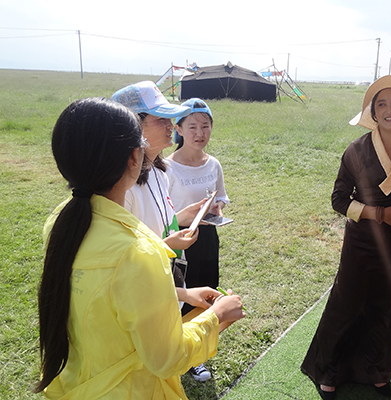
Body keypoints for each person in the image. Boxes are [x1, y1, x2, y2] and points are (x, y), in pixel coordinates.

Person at [34, 97, 245, 399]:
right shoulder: (138, 252)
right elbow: (168, 358)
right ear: (135, 156)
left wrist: (182, 294)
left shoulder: (60, 221)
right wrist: (217, 316)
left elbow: (114, 296)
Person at [301, 75, 391, 399]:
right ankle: (329, 370)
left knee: (387, 307)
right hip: (359, 242)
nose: (390, 110)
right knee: (346, 303)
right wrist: (378, 214)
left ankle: (377, 370)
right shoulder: (357, 150)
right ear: (373, 113)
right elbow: (339, 200)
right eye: (382, 104)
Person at [112, 81, 214, 382]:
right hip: (148, 285)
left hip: (168, 274)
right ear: (134, 126)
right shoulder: (122, 188)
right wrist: (167, 244)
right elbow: (124, 260)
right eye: (161, 119)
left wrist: (184, 217)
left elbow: (157, 223)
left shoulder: (159, 171)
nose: (172, 126)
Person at [166, 98, 229, 316]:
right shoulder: (167, 168)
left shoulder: (213, 164)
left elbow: (221, 196)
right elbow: (162, 216)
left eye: (205, 126)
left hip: (208, 237)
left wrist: (218, 207)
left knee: (209, 288)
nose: (199, 133)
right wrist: (180, 219)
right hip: (179, 241)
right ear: (178, 129)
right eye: (192, 127)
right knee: (183, 296)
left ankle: (207, 326)